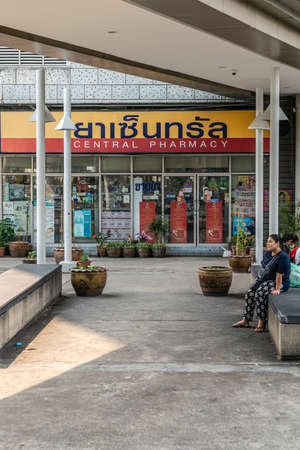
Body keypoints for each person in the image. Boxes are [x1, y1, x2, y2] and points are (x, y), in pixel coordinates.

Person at [232, 234, 291, 332]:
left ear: (277, 243)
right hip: (265, 280)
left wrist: (277, 289)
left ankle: (262, 322)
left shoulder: (283, 257)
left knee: (260, 292)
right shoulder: (268, 253)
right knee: (251, 291)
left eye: (270, 241)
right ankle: (246, 320)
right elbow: (263, 268)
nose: (268, 243)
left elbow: (279, 275)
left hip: (279, 282)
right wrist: (258, 278)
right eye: (267, 241)